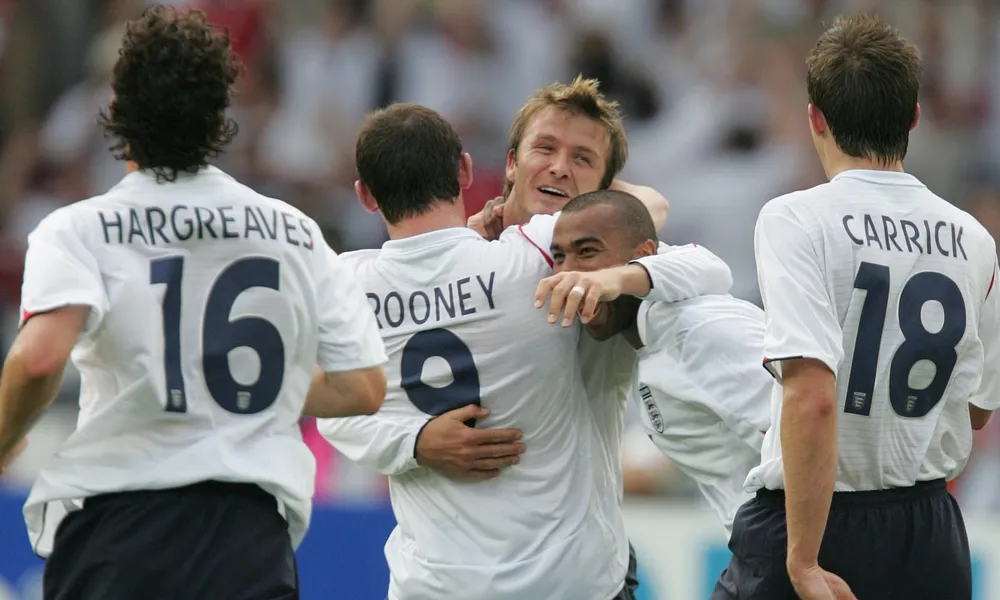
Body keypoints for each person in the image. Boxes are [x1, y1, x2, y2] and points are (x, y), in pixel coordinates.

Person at [0, 6, 387, 599]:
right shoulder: (294, 231)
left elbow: (38, 359)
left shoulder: (80, 229)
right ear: (218, 117)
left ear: (118, 112)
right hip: (249, 542)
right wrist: (234, 377)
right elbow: (362, 386)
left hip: (119, 531)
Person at [318, 80, 733, 599]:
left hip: (442, 584)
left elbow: (326, 404)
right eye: (546, 148)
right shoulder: (530, 255)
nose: (560, 167)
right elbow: (680, 234)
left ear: (364, 195)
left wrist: (611, 275)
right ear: (492, 166)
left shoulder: (346, 282)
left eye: (582, 157)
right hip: (569, 583)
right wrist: (418, 442)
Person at [711, 14, 1000, 600]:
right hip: (930, 533)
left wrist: (802, 559)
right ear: (913, 118)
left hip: (820, 521)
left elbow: (812, 394)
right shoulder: (974, 239)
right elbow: (975, 409)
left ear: (815, 116)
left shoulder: (796, 218)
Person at [539, 189, 772, 536]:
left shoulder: (701, 331)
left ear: (646, 256)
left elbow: (812, 432)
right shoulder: (649, 339)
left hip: (798, 546)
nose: (568, 274)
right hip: (765, 546)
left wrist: (802, 558)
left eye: (588, 252)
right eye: (559, 258)